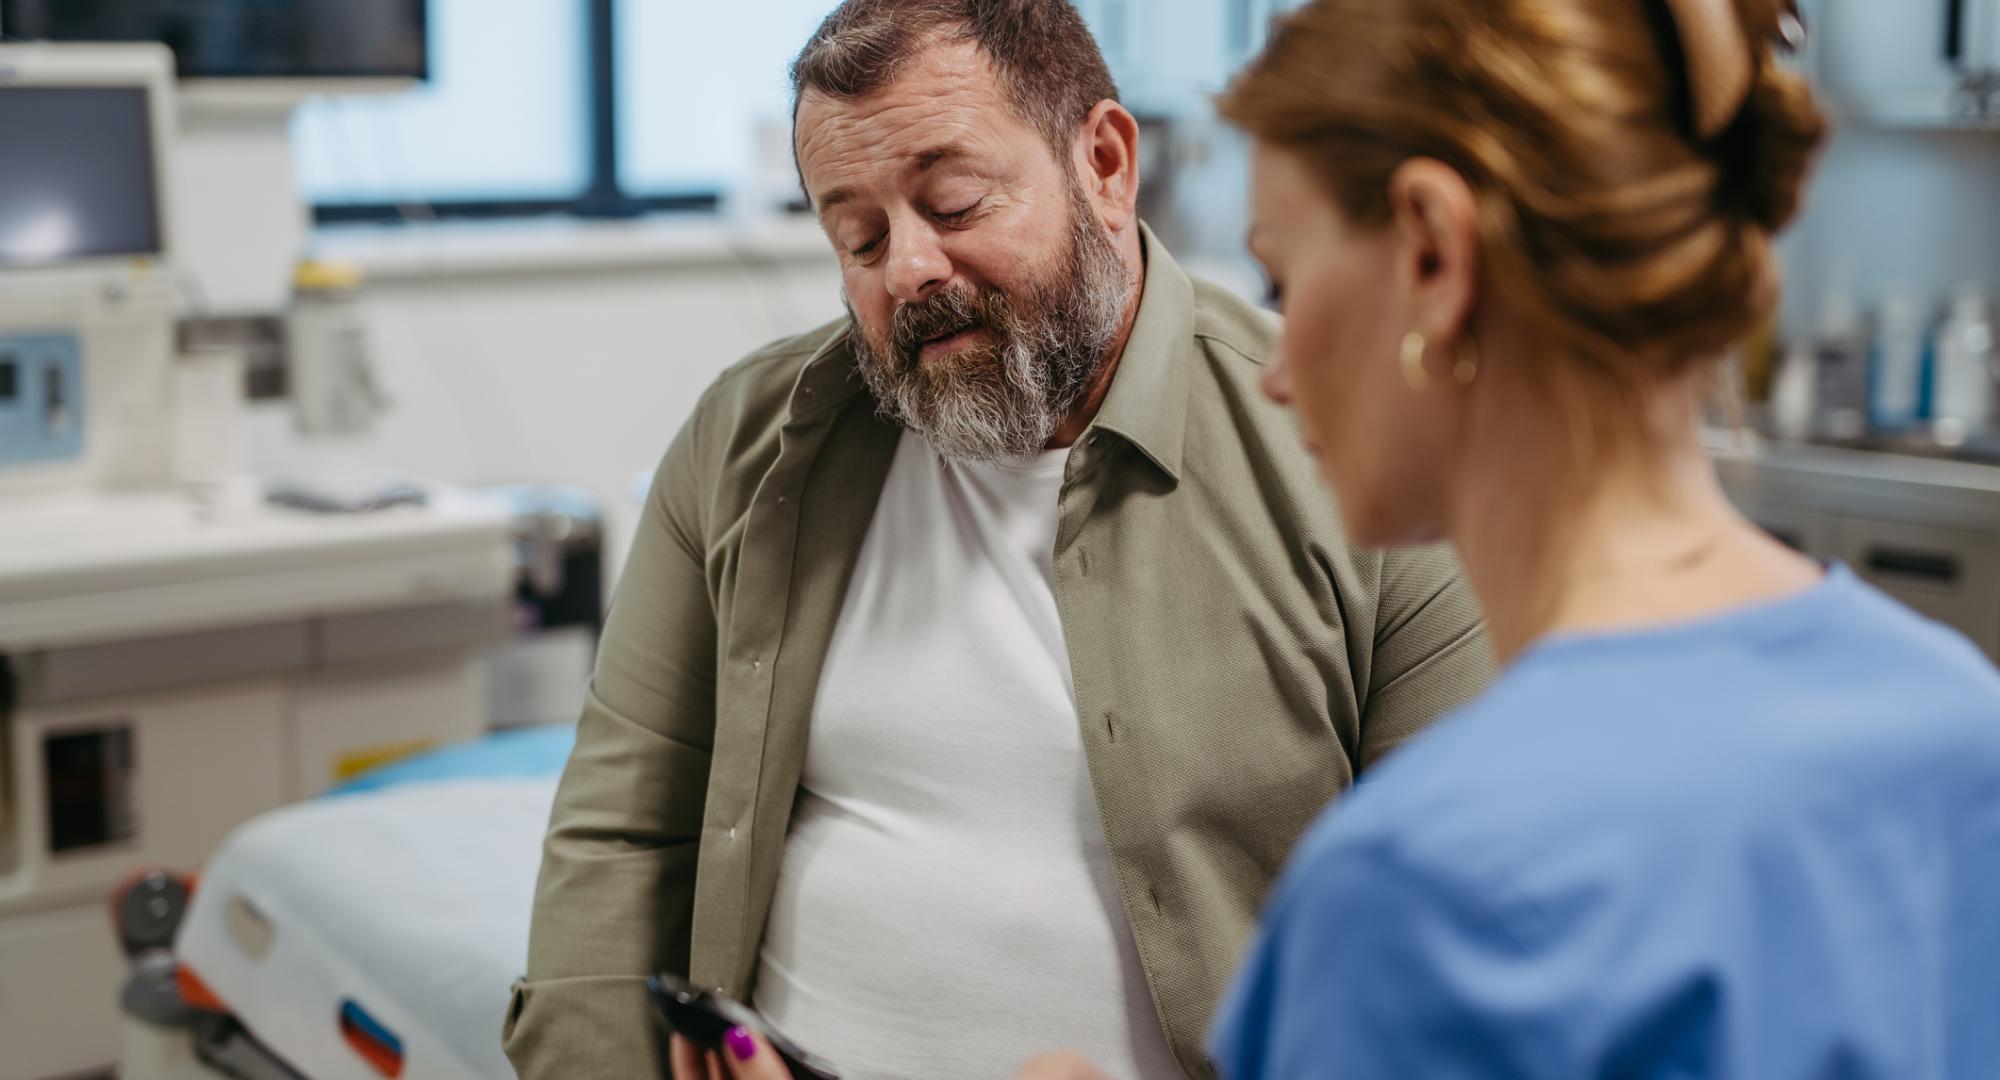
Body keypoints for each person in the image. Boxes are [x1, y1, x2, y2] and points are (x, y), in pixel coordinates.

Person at [501, 2, 1495, 1078]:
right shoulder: (748, 444)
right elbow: (619, 844)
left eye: (954, 202)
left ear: (1104, 165)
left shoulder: (1355, 459)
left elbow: (1452, 970)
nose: (909, 271)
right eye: (860, 238)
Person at [1009, 0, 2000, 1077]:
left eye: (1285, 284)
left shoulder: (1424, 888)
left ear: (1433, 255)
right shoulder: (1957, 721)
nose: (1276, 372)